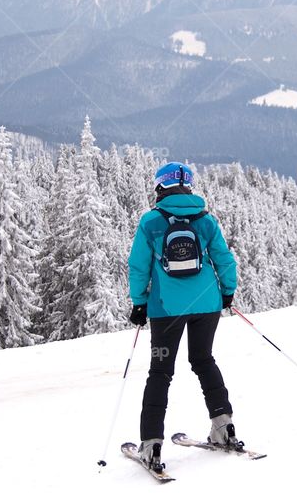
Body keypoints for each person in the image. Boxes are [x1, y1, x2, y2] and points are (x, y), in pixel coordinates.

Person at [127, 162, 238, 473]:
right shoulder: (206, 220)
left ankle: (151, 445)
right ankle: (224, 427)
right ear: (189, 186)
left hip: (166, 309)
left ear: (159, 186)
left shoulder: (150, 222)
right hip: (208, 305)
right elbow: (224, 260)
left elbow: (138, 266)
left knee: (160, 372)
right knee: (203, 360)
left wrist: (139, 304)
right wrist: (227, 293)